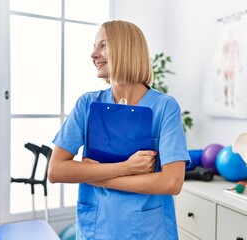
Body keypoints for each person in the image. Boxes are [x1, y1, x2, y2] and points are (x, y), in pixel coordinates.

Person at [48, 20, 191, 240]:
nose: (93, 54)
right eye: (95, 46)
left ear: (126, 49)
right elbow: (56, 170)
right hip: (97, 230)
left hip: (148, 232)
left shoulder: (164, 107)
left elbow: (171, 182)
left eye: (103, 45)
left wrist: (99, 178)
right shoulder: (87, 104)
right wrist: (126, 167)